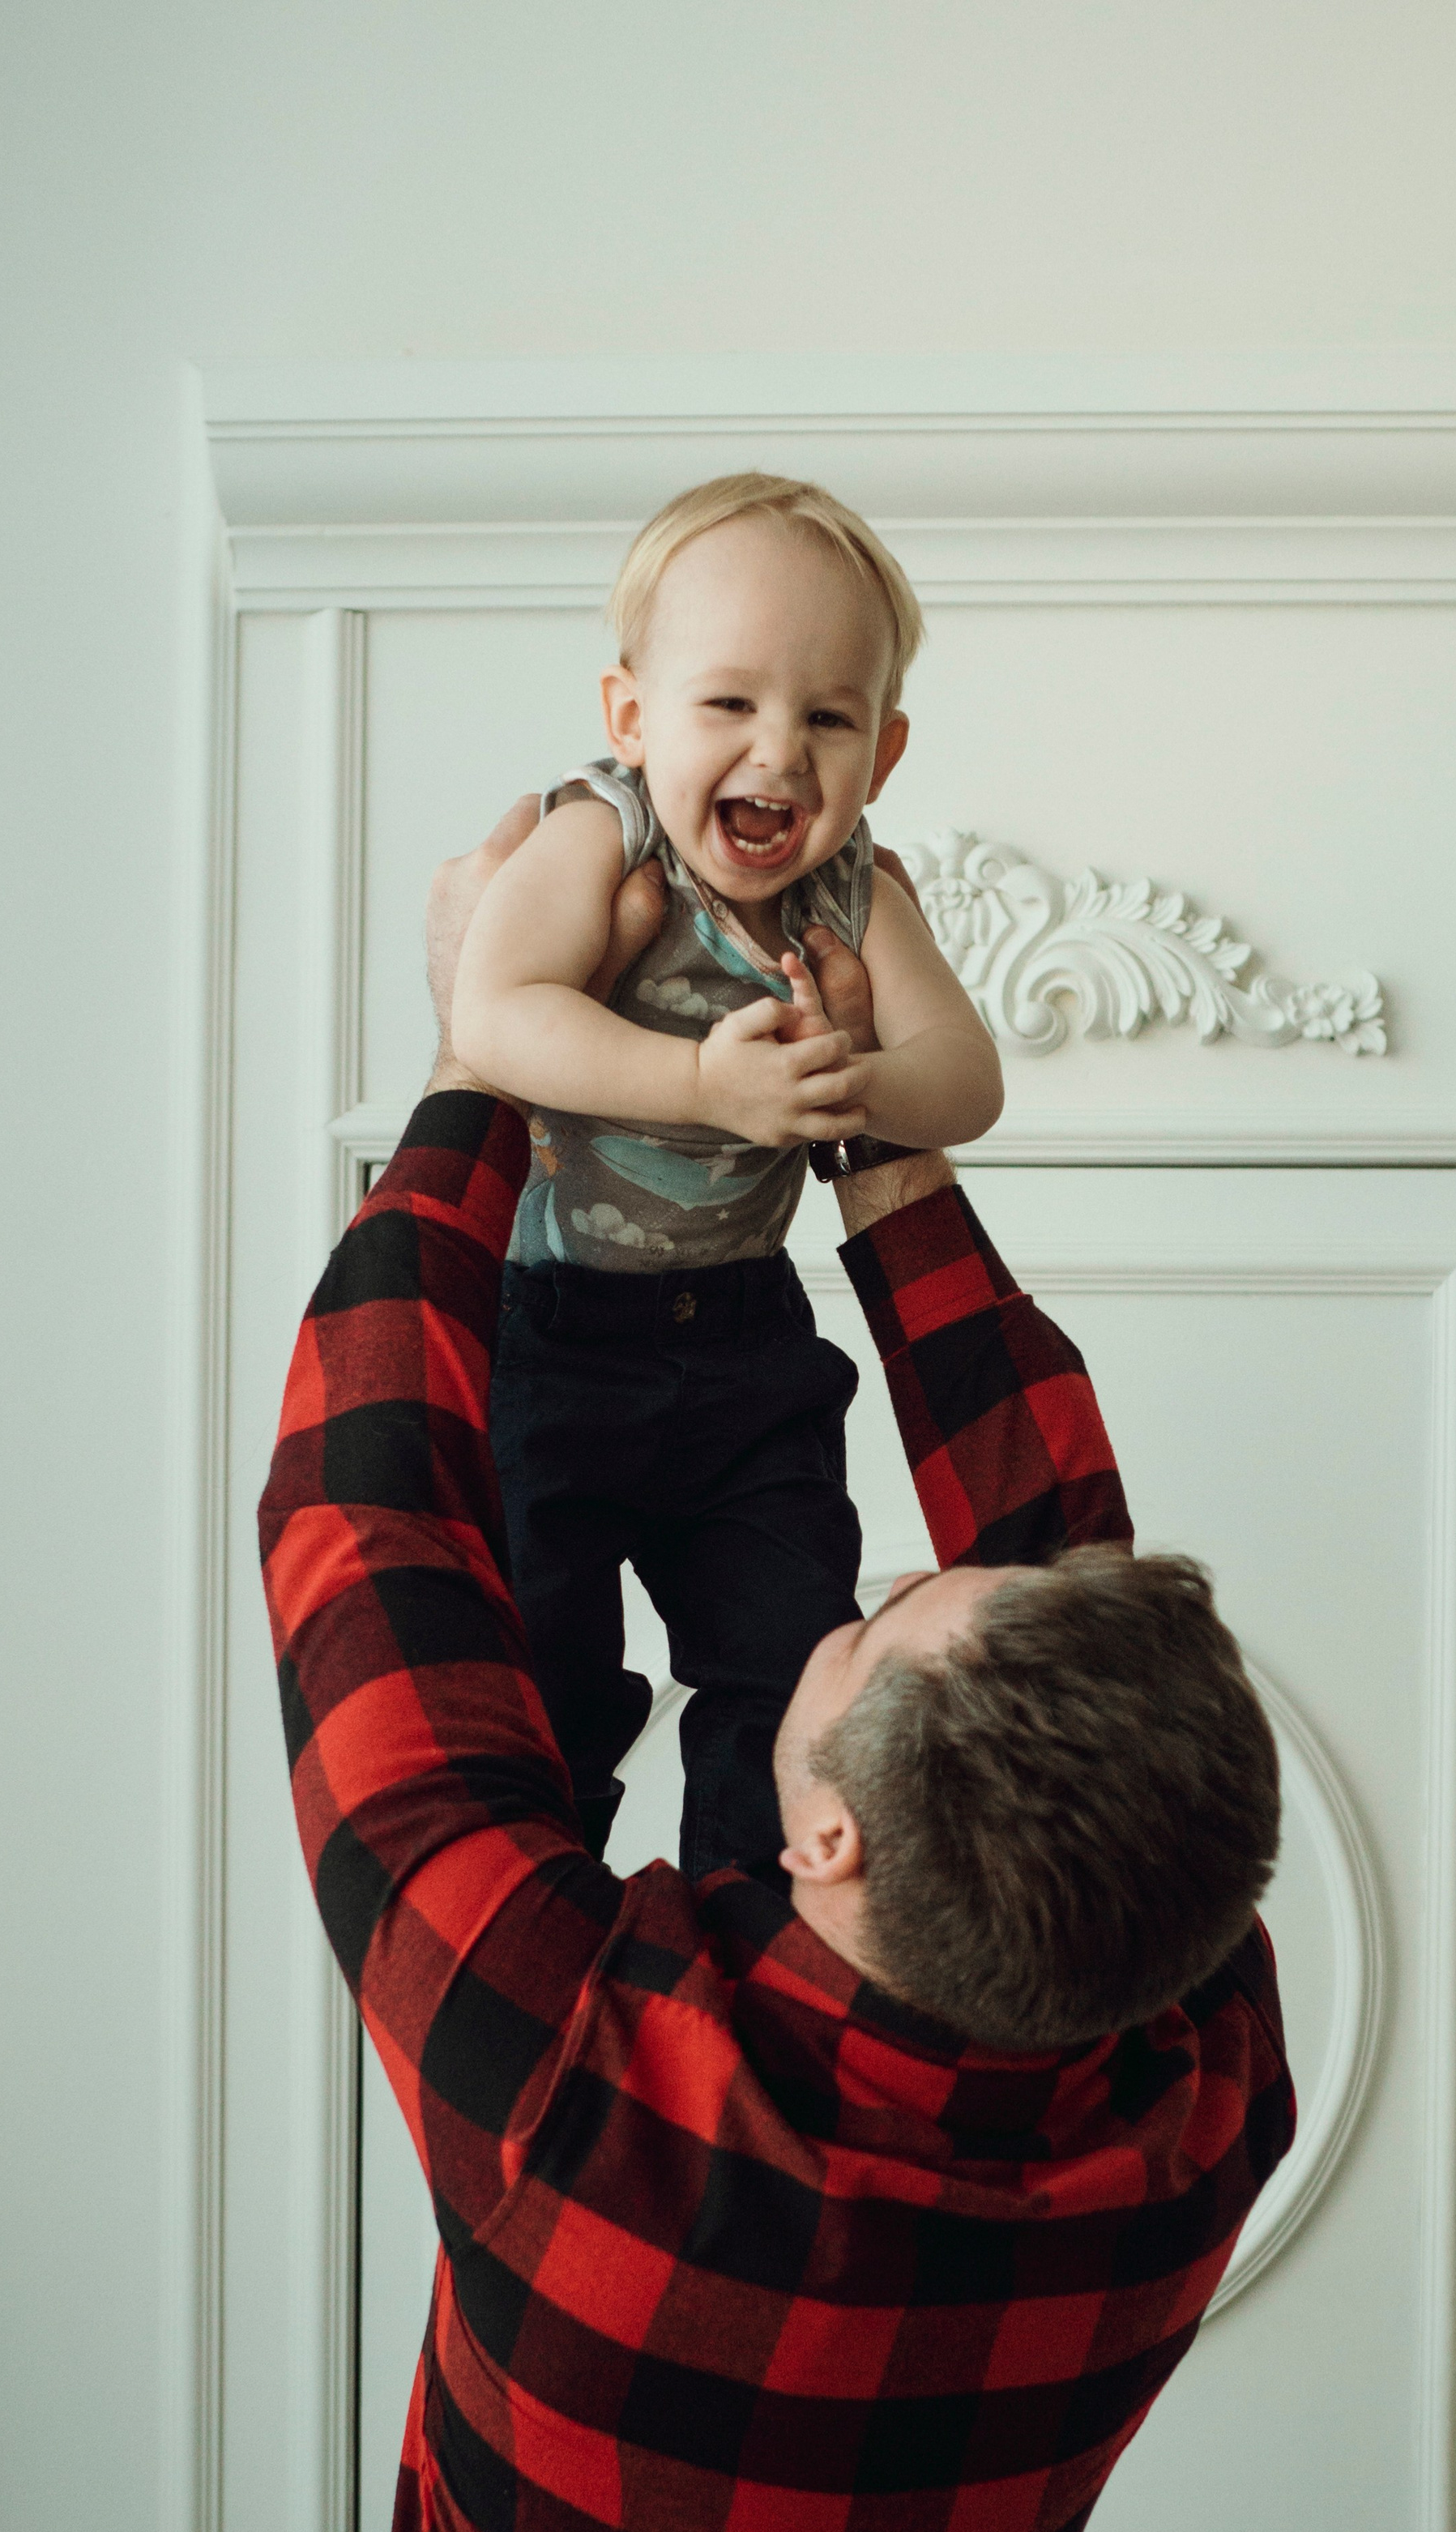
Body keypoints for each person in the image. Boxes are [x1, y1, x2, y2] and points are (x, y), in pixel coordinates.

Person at [258, 804, 1296, 2532]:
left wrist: (481, 1061)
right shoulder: (1183, 2106)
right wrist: (867, 1132)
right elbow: (1068, 1609)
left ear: (827, 1832)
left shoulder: (576, 2101)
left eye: (881, 1627)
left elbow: (363, 1521)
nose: (885, 1585)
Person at [448, 475, 1003, 1879]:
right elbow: (494, 1010)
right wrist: (704, 1082)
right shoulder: (605, 832)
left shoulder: (854, 886)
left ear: (884, 752)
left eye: (829, 718)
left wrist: (855, 1077)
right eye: (730, 703)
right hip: (552, 1346)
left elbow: (968, 1077)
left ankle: (753, 1929)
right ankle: (554, 1932)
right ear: (633, 716)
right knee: (543, 1684)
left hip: (747, 1352)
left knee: (791, 1671)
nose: (780, 751)